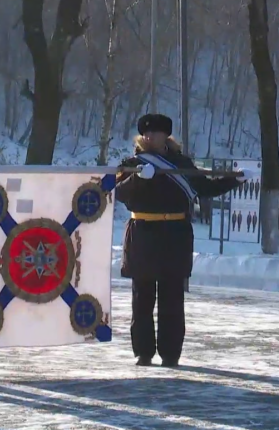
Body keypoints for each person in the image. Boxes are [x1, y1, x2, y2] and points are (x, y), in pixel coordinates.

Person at [115, 113, 248, 368]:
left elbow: (205, 188)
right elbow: (118, 192)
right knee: (141, 298)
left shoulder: (181, 162)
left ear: (166, 135)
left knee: (172, 298)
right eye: (146, 132)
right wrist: (138, 178)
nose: (150, 136)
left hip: (174, 234)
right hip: (142, 233)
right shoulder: (133, 163)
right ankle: (143, 352)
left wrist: (235, 179)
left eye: (155, 132)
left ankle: (171, 353)